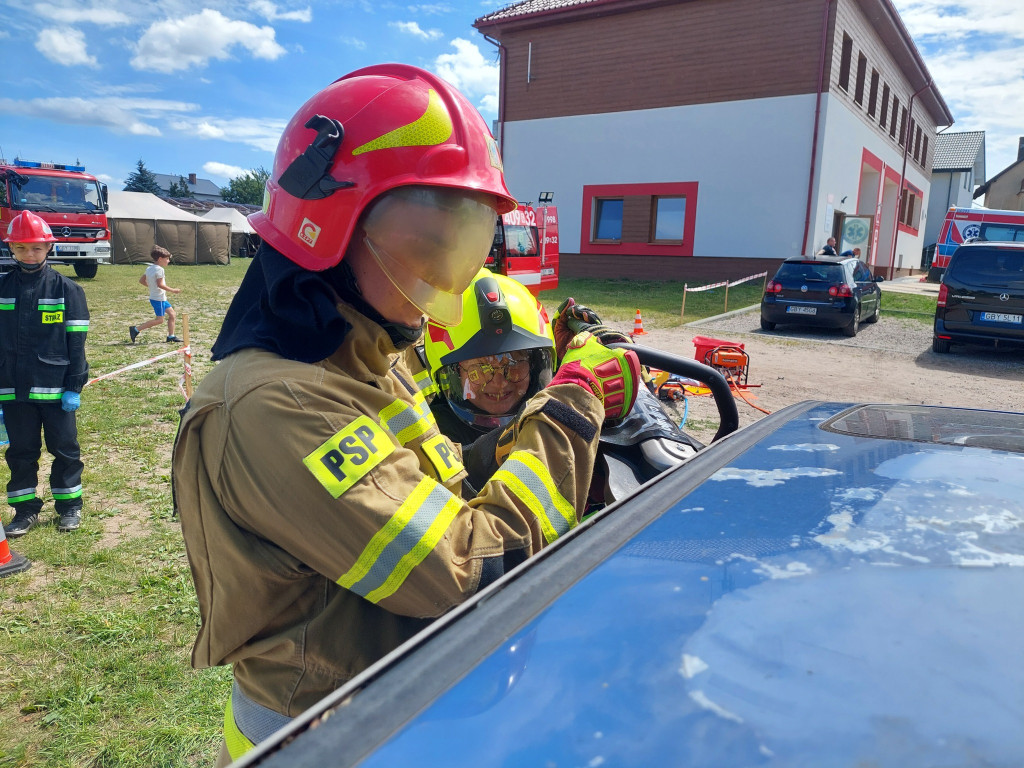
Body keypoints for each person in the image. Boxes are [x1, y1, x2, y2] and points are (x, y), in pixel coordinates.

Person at [170, 64, 642, 766]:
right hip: (328, 733)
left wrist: (537, 411)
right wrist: (573, 409)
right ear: (329, 224)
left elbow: (433, 492)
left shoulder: (359, 354)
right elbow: (473, 569)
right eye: (429, 238)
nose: (446, 273)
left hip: (403, 696)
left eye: (466, 237)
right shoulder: (275, 404)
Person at [0, 211, 89, 537]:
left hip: (55, 391)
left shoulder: (67, 290)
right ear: (11, 249)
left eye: (36, 248)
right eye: (21, 248)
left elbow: (76, 344)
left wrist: (74, 385)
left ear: (48, 247)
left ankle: (69, 507)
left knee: (65, 450)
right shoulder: (3, 288)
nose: (29, 254)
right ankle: (24, 511)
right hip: (12, 390)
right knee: (21, 453)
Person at [129, 245, 182, 343]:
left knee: (172, 314)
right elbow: (160, 284)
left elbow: (141, 280)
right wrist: (173, 290)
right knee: (160, 320)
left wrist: (151, 287)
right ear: (160, 259)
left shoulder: (149, 268)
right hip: (159, 299)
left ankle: (171, 336)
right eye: (167, 259)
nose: (168, 261)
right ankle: (136, 329)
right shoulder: (160, 269)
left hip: (158, 298)